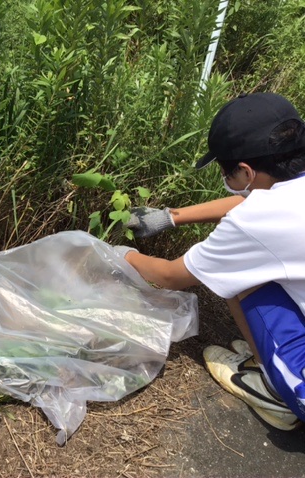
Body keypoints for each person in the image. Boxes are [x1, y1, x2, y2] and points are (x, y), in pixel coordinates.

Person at [116, 92, 305, 431]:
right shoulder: (289, 190)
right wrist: (171, 217)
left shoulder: (258, 220)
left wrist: (122, 255)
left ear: (245, 172)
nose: (229, 183)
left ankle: (274, 389)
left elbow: (171, 276)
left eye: (227, 174)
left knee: (240, 274)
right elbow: (260, 207)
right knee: (247, 264)